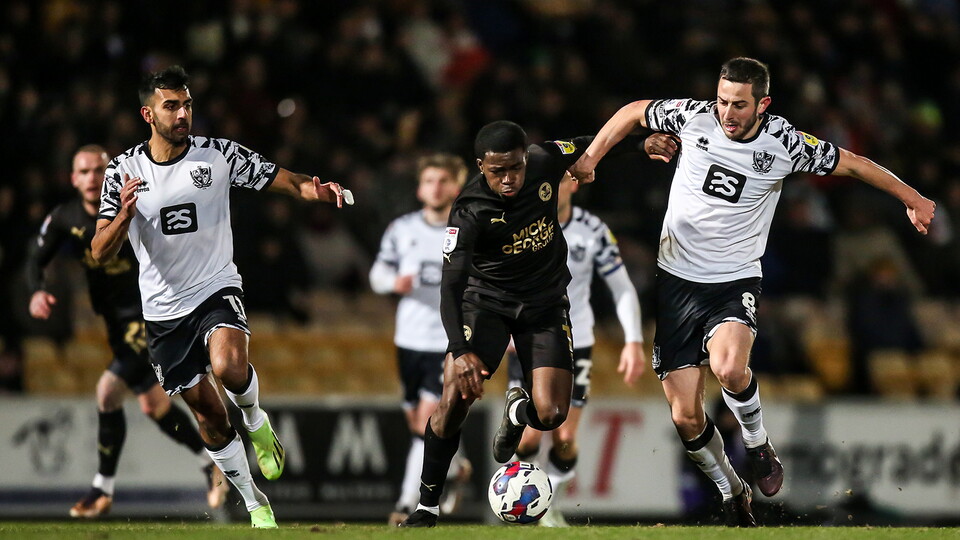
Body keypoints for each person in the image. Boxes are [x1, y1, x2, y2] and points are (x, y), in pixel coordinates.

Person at [569, 57, 936, 527]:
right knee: (685, 417)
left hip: (733, 279)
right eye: (723, 100)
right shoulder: (693, 116)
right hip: (676, 281)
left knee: (728, 366)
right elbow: (634, 111)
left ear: (762, 103)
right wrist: (592, 157)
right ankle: (732, 493)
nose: (727, 112)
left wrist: (913, 198)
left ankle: (758, 444)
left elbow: (855, 165)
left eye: (739, 104)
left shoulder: (783, 142)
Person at [91, 66, 349, 529]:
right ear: (148, 114)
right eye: (172, 105)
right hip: (163, 313)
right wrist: (123, 216)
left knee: (231, 367)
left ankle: (255, 420)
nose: (183, 113)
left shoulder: (218, 155)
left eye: (187, 103)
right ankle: (254, 501)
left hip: (215, 286)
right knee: (208, 414)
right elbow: (98, 249)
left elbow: (284, 179)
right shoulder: (123, 170)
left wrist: (319, 189)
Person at [400, 120, 653, 528]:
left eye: (514, 168)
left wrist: (643, 145)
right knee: (454, 399)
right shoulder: (468, 211)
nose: (508, 179)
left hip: (545, 306)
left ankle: (519, 413)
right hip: (487, 306)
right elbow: (451, 286)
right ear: (481, 166)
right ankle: (427, 506)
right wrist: (461, 351)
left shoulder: (544, 160)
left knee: (553, 415)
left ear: (525, 157)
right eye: (497, 171)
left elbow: (593, 142)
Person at [27, 145, 229, 518]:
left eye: (99, 170)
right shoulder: (64, 217)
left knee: (107, 392)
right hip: (116, 322)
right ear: (73, 179)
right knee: (153, 405)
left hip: (150, 313)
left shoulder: (137, 207)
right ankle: (211, 461)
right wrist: (37, 290)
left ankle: (102, 490)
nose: (92, 178)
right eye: (84, 171)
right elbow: (35, 259)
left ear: (111, 174)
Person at [506, 171, 646, 527]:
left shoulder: (593, 229)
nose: (551, 185)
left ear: (574, 183)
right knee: (529, 433)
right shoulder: (520, 222)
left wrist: (633, 340)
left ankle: (544, 500)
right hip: (530, 337)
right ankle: (520, 499)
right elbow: (499, 278)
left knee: (565, 436)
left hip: (575, 341)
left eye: (560, 178)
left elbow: (622, 286)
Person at [369, 154, 473, 525]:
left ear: (456, 188)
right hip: (409, 337)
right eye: (429, 180)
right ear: (419, 187)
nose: (436, 187)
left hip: (449, 340)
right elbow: (378, 271)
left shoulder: (467, 229)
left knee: (425, 423)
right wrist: (391, 283)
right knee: (417, 419)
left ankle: (406, 503)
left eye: (443, 181)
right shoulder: (402, 229)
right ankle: (456, 466)